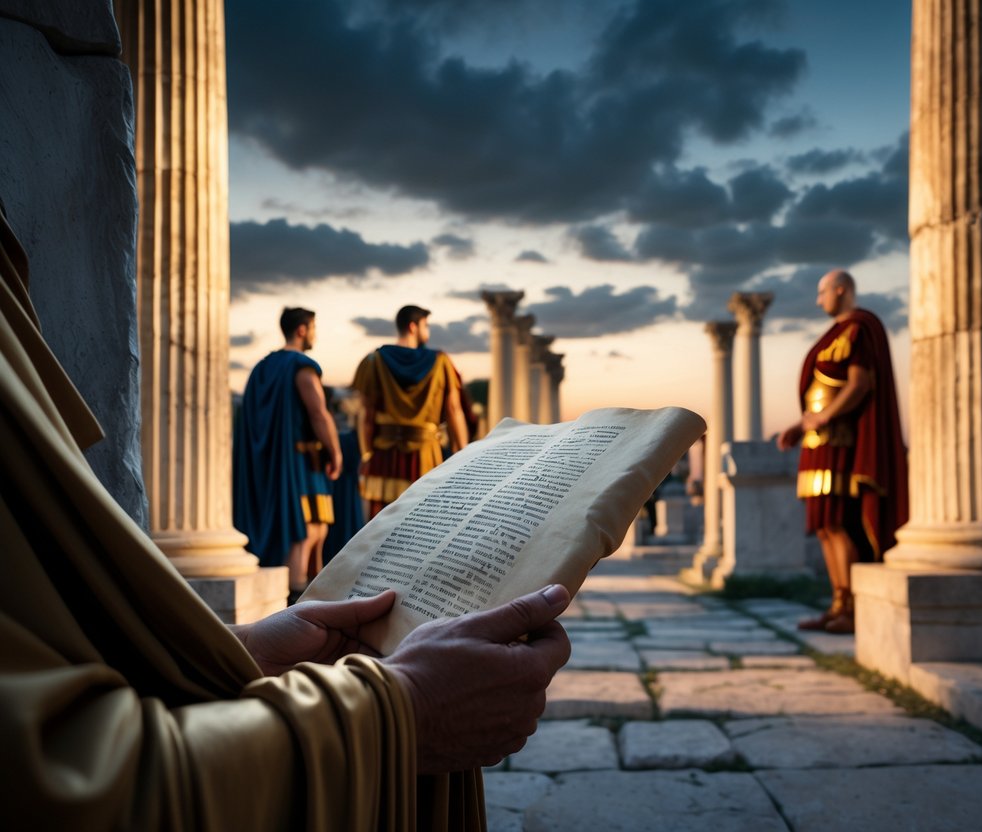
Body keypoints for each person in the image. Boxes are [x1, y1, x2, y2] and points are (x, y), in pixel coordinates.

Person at [0, 209, 571, 830]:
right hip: (413, 457)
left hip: (379, 461)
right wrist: (403, 713)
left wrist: (235, 648)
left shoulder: (345, 365)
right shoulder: (331, 368)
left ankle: (317, 591)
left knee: (382, 539)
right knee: (324, 534)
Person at [777, 269, 909, 634]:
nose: (819, 300)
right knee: (823, 527)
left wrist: (822, 418)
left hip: (842, 444)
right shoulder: (831, 335)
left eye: (823, 292)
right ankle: (837, 603)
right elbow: (819, 394)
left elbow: (859, 384)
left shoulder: (860, 328)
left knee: (839, 524)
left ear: (842, 289)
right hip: (817, 444)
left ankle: (851, 607)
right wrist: (801, 425)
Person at [233, 308, 341, 600]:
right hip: (301, 464)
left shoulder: (261, 369)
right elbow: (319, 413)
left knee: (312, 530)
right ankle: (298, 602)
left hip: (272, 465)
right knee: (305, 532)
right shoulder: (302, 367)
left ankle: (305, 598)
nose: (315, 333)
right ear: (303, 329)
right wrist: (336, 451)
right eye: (314, 327)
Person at [353, 305, 470, 518]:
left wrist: (366, 454)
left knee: (378, 529)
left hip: (384, 456)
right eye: (426, 325)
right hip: (425, 454)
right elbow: (454, 411)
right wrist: (462, 453)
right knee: (422, 525)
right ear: (413, 326)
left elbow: (366, 414)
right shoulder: (441, 362)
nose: (428, 332)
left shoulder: (374, 361)